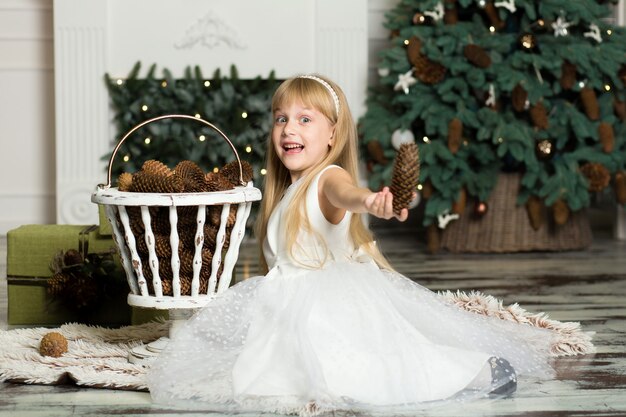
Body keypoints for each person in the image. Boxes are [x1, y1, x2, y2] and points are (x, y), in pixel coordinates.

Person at [146, 75, 558, 415]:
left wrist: (373, 201)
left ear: (333, 134)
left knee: (361, 370)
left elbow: (349, 194)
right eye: (281, 119)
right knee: (267, 373)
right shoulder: (288, 189)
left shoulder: (328, 178)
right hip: (288, 305)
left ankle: (472, 372)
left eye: (305, 119)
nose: (289, 129)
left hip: (324, 305)